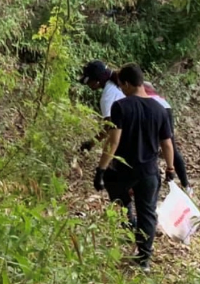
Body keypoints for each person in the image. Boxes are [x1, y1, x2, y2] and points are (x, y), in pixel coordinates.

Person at [93, 63, 175, 271]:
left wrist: (101, 169)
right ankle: (144, 259)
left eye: (122, 86)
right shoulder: (159, 109)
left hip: (123, 171)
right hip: (149, 172)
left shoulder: (121, 106)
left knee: (120, 199)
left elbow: (113, 141)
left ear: (128, 84)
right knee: (147, 212)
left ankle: (129, 226)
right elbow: (167, 143)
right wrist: (171, 169)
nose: (121, 90)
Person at [79, 60, 192, 194]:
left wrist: (92, 143)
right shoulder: (119, 80)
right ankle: (181, 184)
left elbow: (109, 128)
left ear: (97, 81)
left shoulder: (108, 95)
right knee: (165, 145)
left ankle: (185, 186)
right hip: (161, 107)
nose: (89, 86)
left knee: (167, 145)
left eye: (89, 82)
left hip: (154, 110)